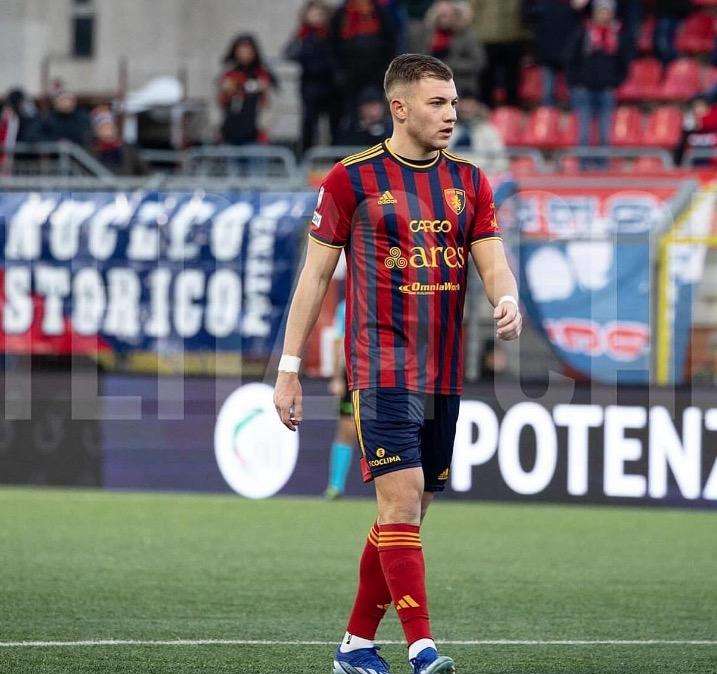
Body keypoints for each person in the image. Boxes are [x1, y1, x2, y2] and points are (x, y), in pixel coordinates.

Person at [273, 53, 521, 674]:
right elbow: (315, 277)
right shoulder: (350, 179)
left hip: (443, 371)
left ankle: (355, 646)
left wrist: (507, 297)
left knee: (405, 513)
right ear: (400, 108)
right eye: (437, 103)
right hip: (379, 364)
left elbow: (491, 257)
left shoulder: (470, 181)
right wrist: (288, 367)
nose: (451, 114)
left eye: (454, 102)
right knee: (403, 502)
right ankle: (422, 647)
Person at [565, 0, 630, 152]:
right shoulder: (583, 33)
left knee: (605, 133)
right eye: (601, 11)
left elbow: (624, 62)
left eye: (607, 11)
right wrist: (575, 83)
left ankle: (603, 163)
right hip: (584, 89)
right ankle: (583, 163)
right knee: (583, 132)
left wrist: (615, 82)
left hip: (606, 89)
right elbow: (570, 58)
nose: (604, 15)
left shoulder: (617, 35)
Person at [284, 1, 341, 153]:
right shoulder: (302, 35)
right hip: (310, 85)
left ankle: (336, 158)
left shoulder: (332, 34)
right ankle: (306, 155)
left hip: (331, 86)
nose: (316, 17)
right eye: (313, 13)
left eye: (320, 14)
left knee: (334, 124)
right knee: (309, 123)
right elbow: (289, 53)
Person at [330, 0, 397, 128]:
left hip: (376, 74)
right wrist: (338, 72)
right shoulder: (341, 14)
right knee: (350, 115)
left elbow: (391, 42)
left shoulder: (380, 12)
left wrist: (387, 70)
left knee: (375, 113)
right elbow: (333, 45)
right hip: (349, 76)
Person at [324, 299, 358, 499]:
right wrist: (337, 377)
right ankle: (335, 486)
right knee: (347, 429)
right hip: (352, 376)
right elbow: (339, 341)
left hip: (382, 375)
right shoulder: (346, 306)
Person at [217, 34, 276, 145]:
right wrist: (228, 91)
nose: (244, 55)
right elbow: (220, 103)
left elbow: (268, 105)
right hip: (230, 131)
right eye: (241, 51)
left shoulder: (262, 75)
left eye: (248, 51)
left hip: (255, 133)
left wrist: (262, 89)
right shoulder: (229, 75)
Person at [419, 0, 486, 97]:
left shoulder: (467, 35)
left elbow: (478, 63)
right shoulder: (430, 35)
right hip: (434, 83)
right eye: (441, 16)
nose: (444, 20)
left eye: (447, 15)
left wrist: (448, 65)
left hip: (461, 84)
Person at [448, 92, 508, 172]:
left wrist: (486, 174)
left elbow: (500, 161)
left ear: (477, 107)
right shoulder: (447, 128)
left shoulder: (488, 131)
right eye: (463, 105)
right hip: (451, 173)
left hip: (482, 173)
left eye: (470, 105)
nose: (466, 109)